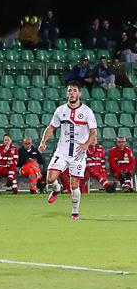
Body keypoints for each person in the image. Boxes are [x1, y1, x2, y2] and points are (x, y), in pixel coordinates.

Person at [39, 81, 98, 220]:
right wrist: (43, 142)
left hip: (78, 153)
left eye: (74, 90)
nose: (71, 93)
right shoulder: (60, 110)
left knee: (74, 184)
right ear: (67, 93)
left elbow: (93, 131)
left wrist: (86, 144)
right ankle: (57, 189)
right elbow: (51, 127)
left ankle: (75, 211)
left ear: (79, 93)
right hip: (62, 151)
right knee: (50, 178)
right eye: (69, 90)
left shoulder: (87, 111)